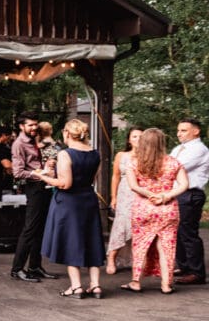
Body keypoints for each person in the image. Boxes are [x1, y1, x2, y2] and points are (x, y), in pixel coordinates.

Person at [35, 119, 106, 298]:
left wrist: (43, 177)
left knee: (71, 242)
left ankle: (76, 286)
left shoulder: (65, 154)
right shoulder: (96, 154)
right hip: (88, 200)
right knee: (91, 240)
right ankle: (95, 285)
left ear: (67, 133)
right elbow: (93, 179)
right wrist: (53, 171)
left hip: (69, 203)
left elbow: (65, 183)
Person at [120, 128, 188, 295]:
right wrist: (165, 196)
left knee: (140, 245)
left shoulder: (134, 163)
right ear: (161, 143)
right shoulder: (173, 162)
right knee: (166, 247)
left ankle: (136, 282)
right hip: (168, 210)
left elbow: (133, 186)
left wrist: (150, 194)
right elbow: (184, 184)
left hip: (143, 209)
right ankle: (166, 284)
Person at [9, 111, 59, 283]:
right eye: (30, 125)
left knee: (40, 229)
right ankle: (17, 269)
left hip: (45, 186)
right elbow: (17, 172)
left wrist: (49, 165)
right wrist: (40, 173)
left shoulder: (37, 139)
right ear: (22, 126)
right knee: (30, 229)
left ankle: (35, 267)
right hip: (34, 187)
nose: (34, 127)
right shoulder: (19, 144)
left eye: (35, 124)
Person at [170, 118, 208, 285]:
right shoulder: (178, 148)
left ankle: (197, 272)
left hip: (190, 194)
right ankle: (184, 266)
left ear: (196, 131)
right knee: (177, 231)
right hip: (177, 193)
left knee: (188, 233)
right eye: (178, 130)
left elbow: (175, 167)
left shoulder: (199, 149)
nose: (179, 134)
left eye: (183, 130)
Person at [106, 127, 143, 274]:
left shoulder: (148, 156)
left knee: (139, 227)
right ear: (129, 140)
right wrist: (113, 197)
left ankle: (138, 260)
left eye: (141, 136)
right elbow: (115, 176)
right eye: (134, 136)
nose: (138, 139)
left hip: (141, 194)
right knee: (121, 226)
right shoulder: (121, 155)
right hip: (124, 193)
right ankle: (111, 258)